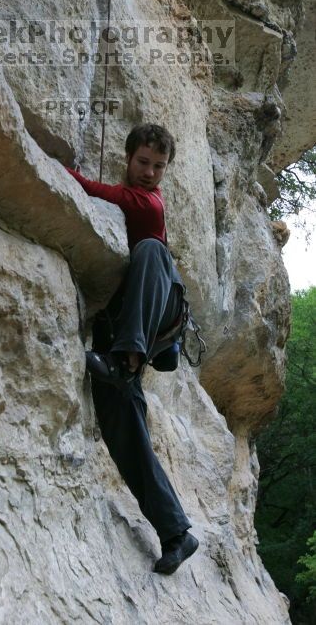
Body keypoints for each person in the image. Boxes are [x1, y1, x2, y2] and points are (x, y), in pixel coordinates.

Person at [66, 123, 199, 575]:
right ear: (129, 157)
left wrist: (74, 177)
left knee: (150, 251)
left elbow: (119, 199)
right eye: (143, 163)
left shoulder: (150, 205)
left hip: (160, 311)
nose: (150, 173)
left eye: (159, 167)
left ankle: (125, 361)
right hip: (130, 328)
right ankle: (176, 533)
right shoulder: (139, 190)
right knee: (120, 421)